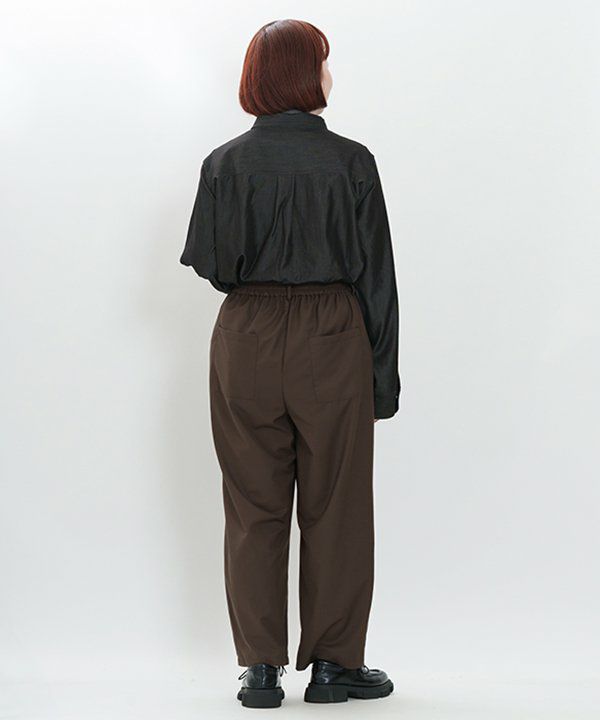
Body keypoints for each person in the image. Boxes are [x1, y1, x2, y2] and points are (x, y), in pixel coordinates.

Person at [180, 18, 400, 708]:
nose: (330, 74)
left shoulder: (223, 164)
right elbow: (376, 278)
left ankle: (260, 669)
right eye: (324, 62)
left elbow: (214, 266)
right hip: (332, 331)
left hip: (245, 332)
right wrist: (382, 381)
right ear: (306, 75)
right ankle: (334, 666)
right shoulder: (352, 162)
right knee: (338, 505)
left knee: (253, 507)